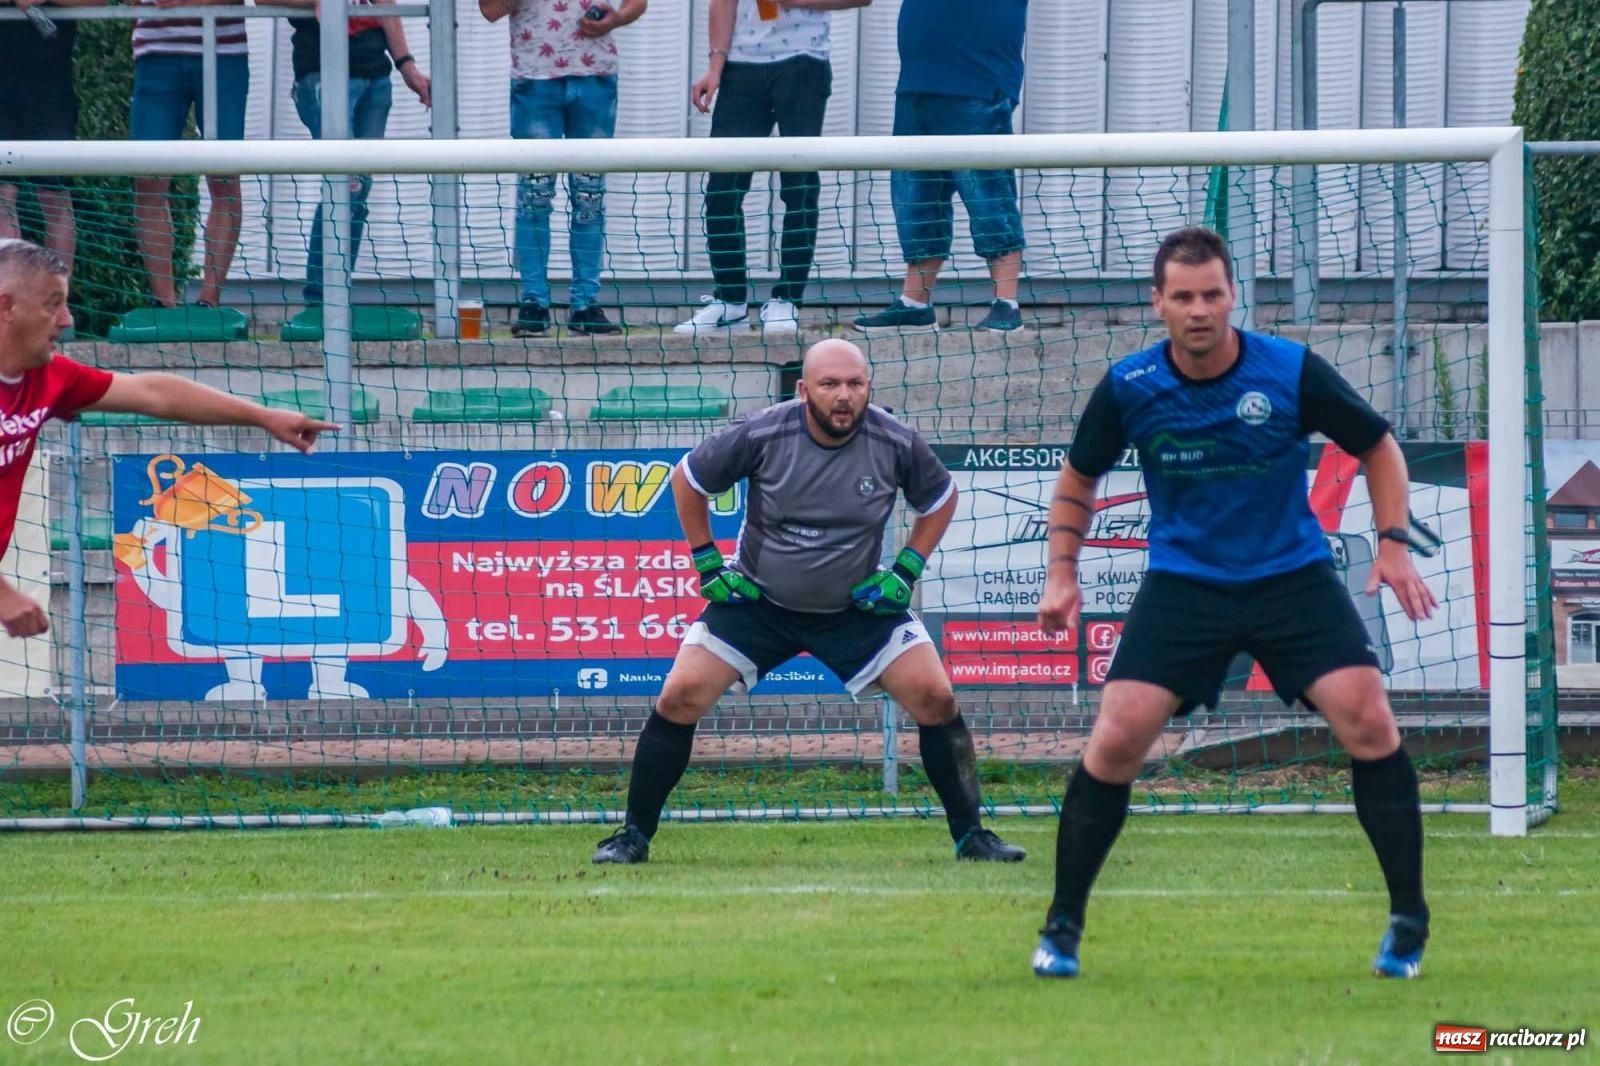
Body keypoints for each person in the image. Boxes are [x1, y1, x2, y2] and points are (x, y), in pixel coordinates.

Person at [1028, 227, 1437, 980]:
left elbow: (1378, 445)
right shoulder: (1130, 385)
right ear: (1158, 304)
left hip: (1292, 578)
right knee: (1116, 737)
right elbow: (1077, 479)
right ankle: (1061, 928)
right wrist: (1062, 573)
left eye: (1212, 294)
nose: (1199, 310)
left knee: (1370, 719)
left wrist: (1392, 541)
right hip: (1186, 583)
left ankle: (1409, 921)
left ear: (1232, 296)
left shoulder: (1289, 371)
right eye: (1182, 297)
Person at [592, 338, 1026, 865]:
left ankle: (972, 836)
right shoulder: (763, 432)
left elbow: (940, 498)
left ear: (869, 387)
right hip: (759, 604)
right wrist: (707, 563)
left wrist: (906, 568)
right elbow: (687, 480)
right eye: (829, 384)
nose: (843, 396)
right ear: (803, 390)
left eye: (854, 384)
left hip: (856, 610)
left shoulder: (895, 440)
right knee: (679, 695)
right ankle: (632, 837)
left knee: (936, 699)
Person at [0, 238, 337, 638]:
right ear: (7, 307)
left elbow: (153, 393)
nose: (68, 320)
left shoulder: (49, 377)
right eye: (53, 304)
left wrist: (263, 416)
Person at [674, 0, 870, 336]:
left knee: (799, 184)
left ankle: (787, 300)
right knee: (723, 188)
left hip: (803, 61)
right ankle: (730, 303)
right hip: (741, 66)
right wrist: (716, 65)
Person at [852, 0, 1027, 336]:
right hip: (918, 82)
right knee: (915, 196)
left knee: (988, 191)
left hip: (978, 80)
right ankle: (915, 304)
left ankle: (1007, 303)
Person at [479, 0, 646, 337]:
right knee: (534, 195)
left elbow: (637, 4)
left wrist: (616, 19)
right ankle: (533, 303)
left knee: (589, 196)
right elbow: (490, 9)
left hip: (596, 75)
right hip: (535, 77)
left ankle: (585, 303)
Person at [281, 0, 432, 306]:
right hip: (323, 72)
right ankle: (322, 299)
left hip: (375, 75)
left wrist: (406, 66)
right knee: (344, 186)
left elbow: (385, 6)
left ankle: (331, 294)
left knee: (357, 189)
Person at [129, 0, 250, 309]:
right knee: (148, 179)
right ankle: (163, 301)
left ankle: (209, 299)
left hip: (224, 53)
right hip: (155, 53)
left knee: (224, 175)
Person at [0, 0, 102, 276]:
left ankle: (59, 307)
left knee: (53, 196)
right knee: (2, 196)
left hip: (50, 86)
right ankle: (11, 303)